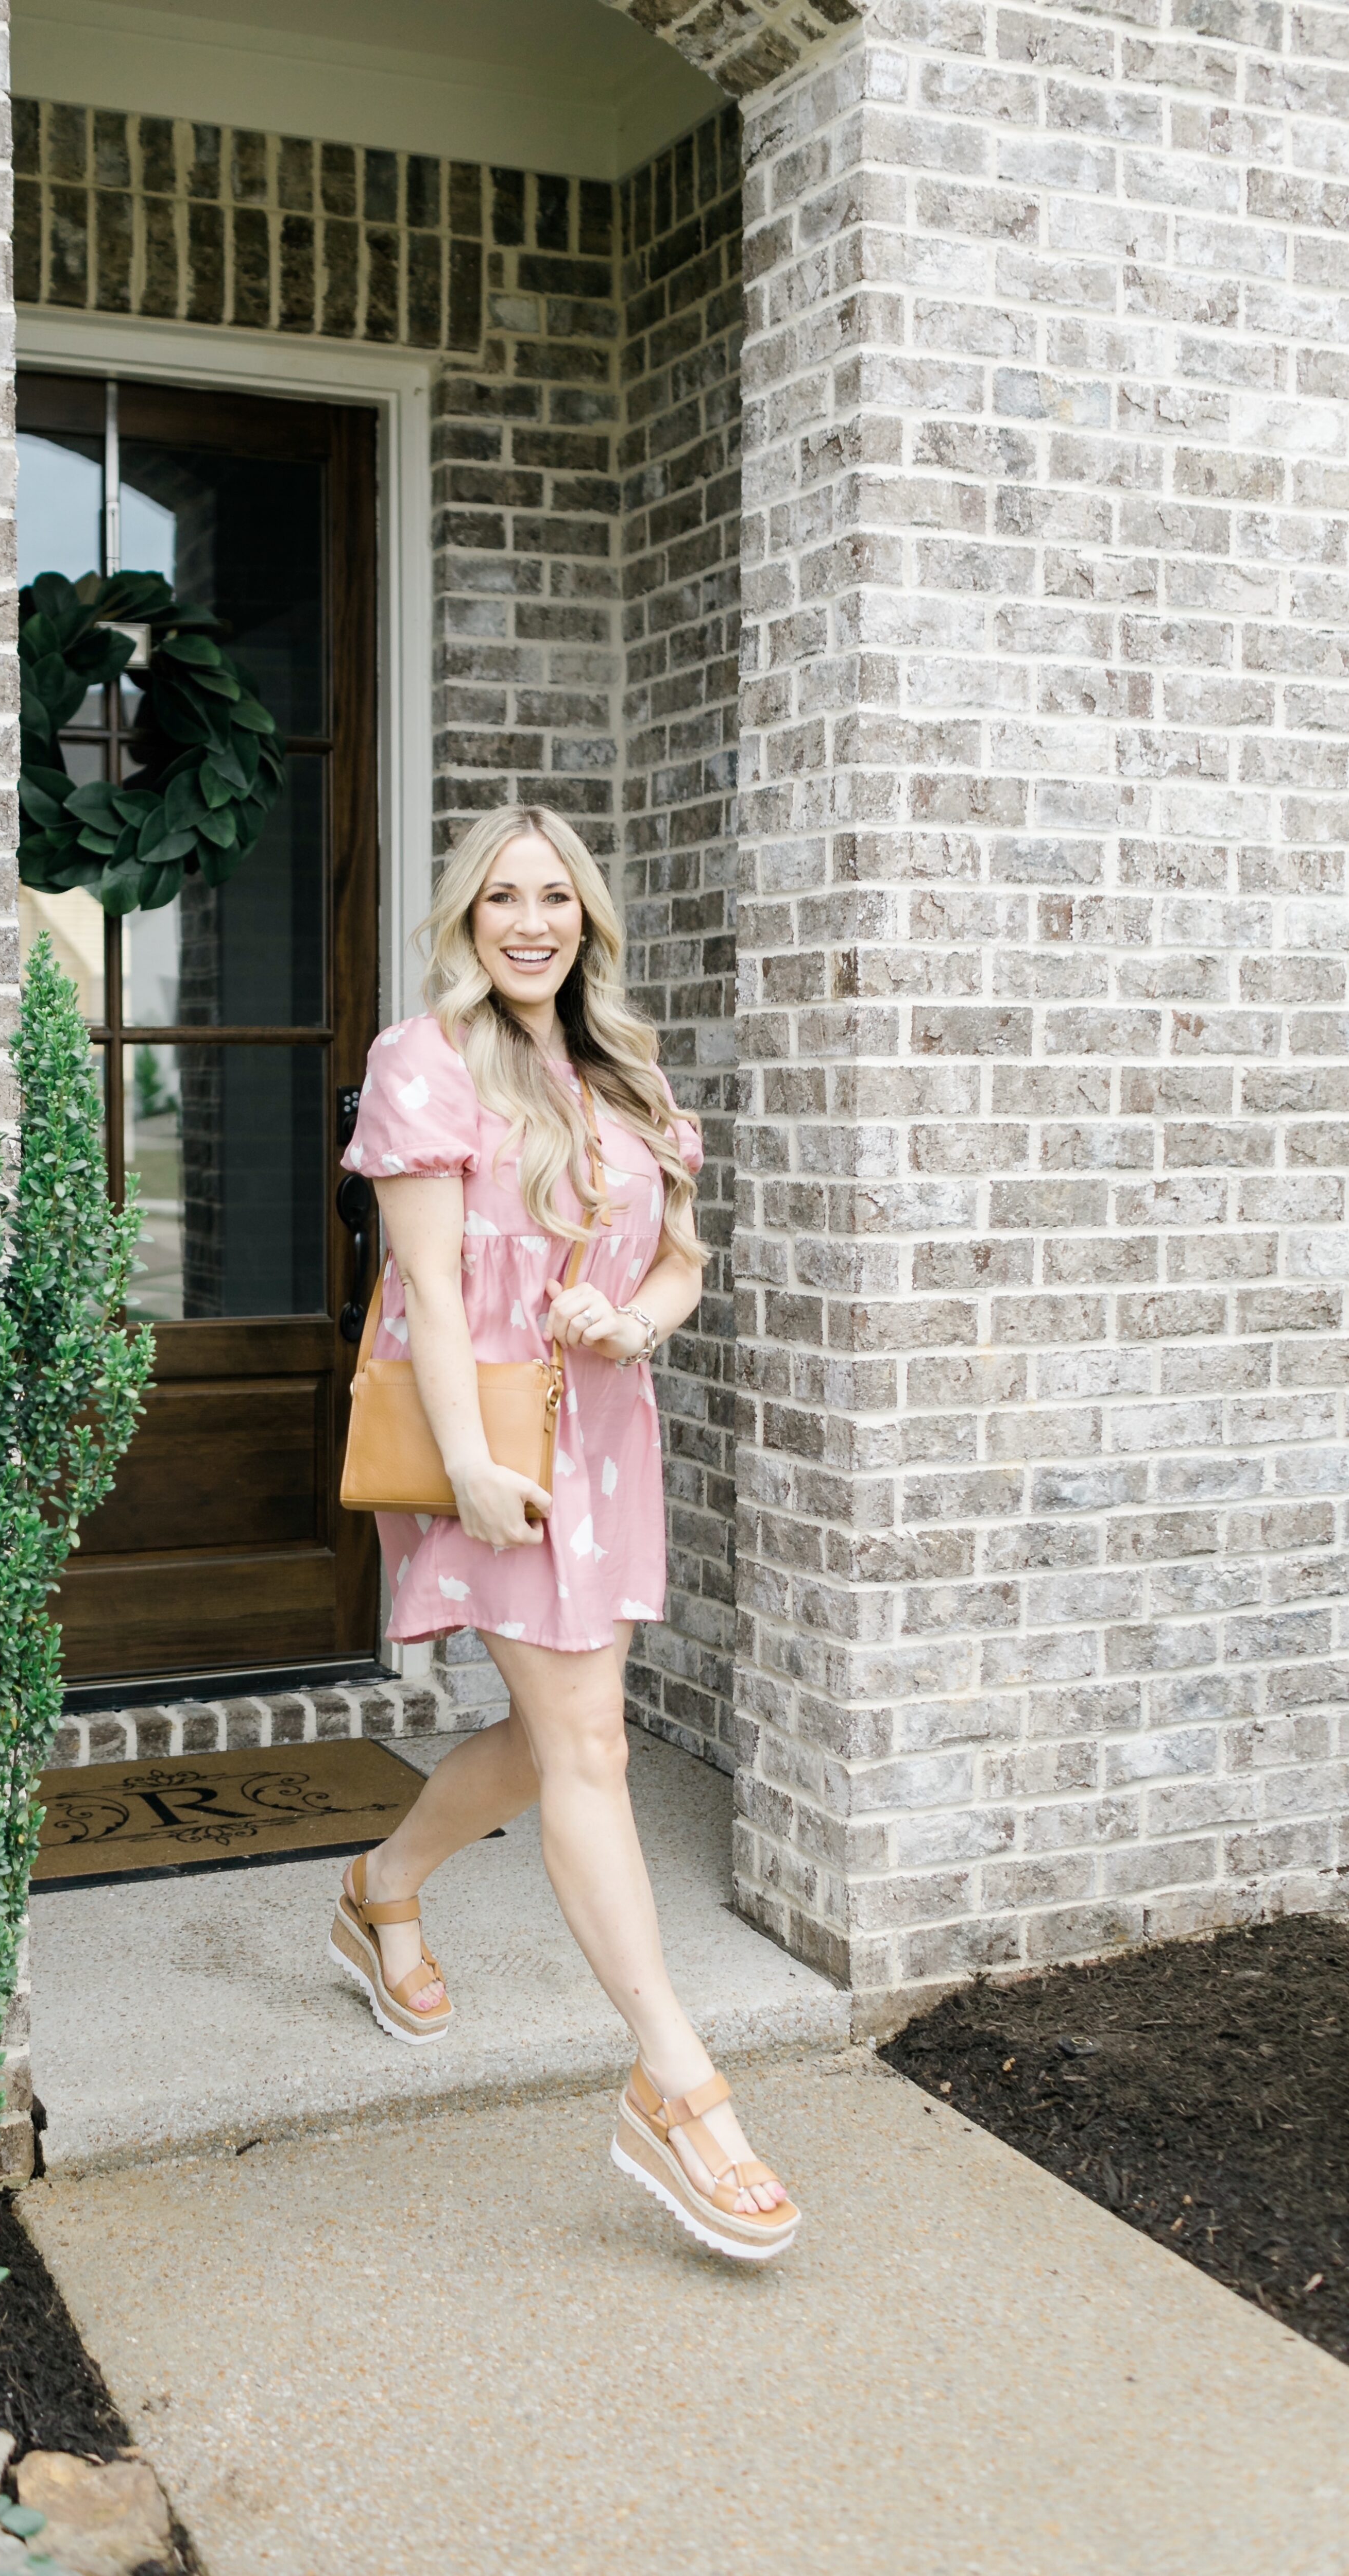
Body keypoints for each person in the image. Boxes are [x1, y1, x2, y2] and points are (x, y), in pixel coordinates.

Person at [329, 804, 799, 2263]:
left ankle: (380, 1889)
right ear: (465, 921)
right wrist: (465, 1464)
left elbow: (680, 1264)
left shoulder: (622, 1073)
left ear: (586, 922)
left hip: (601, 1437)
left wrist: (630, 1318)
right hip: (499, 1454)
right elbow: (421, 1286)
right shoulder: (424, 1065)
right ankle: (677, 2085)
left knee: (551, 1744)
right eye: (499, 901)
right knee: (590, 1748)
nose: (528, 924)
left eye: (554, 901)